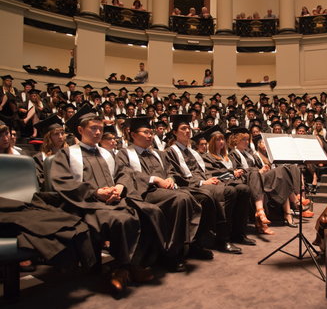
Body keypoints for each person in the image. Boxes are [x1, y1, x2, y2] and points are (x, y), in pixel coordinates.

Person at [50, 104, 162, 296]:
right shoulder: (67, 154)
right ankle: (123, 268)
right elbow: (62, 182)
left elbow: (124, 173)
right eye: (93, 128)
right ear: (80, 130)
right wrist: (95, 192)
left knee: (150, 211)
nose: (98, 132)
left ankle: (134, 264)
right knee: (122, 219)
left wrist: (120, 186)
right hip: (87, 204)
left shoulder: (107, 153)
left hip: (113, 199)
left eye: (100, 128)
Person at [115, 117, 203, 271]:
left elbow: (170, 170)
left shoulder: (158, 153)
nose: (150, 136)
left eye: (151, 133)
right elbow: (125, 173)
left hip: (165, 190)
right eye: (146, 132)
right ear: (133, 134)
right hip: (144, 192)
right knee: (180, 199)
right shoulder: (124, 153)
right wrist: (154, 179)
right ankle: (170, 254)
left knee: (198, 196)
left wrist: (169, 177)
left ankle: (189, 245)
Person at [165, 114, 242, 254]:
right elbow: (176, 175)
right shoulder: (170, 152)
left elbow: (204, 170)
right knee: (228, 192)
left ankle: (228, 235)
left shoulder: (193, 152)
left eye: (188, 128)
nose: (188, 131)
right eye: (183, 129)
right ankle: (221, 240)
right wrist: (202, 182)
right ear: (175, 132)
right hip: (189, 186)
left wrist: (211, 179)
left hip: (204, 182)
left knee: (236, 189)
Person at [201, 126, 256, 245]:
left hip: (233, 182)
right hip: (221, 184)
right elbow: (212, 173)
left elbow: (238, 168)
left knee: (244, 189)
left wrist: (238, 172)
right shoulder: (206, 157)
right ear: (211, 142)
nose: (221, 142)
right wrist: (232, 173)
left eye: (222, 139)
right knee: (231, 191)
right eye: (217, 140)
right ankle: (224, 237)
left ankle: (239, 234)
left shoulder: (227, 157)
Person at [32, 114, 68, 190]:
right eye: (56, 134)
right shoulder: (39, 158)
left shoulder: (70, 153)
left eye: (62, 133)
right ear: (48, 137)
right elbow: (40, 181)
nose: (61, 137)